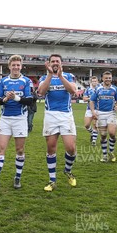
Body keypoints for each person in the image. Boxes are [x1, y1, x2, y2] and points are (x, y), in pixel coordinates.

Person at [0, 55, 33, 190]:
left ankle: (17, 177)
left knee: (20, 150)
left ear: (21, 66)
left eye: (18, 65)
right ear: (9, 66)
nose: (16, 67)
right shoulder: (3, 81)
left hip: (20, 119)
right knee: (0, 148)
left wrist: (16, 97)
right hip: (5, 119)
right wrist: (6, 98)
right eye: (13, 65)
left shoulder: (26, 81)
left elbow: (29, 100)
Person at [37, 54, 78, 192]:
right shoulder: (44, 78)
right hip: (50, 116)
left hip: (66, 115)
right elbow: (41, 92)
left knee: (71, 148)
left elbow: (73, 91)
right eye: (52, 61)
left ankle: (68, 171)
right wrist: (50, 75)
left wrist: (60, 76)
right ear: (49, 63)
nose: (55, 63)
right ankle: (52, 180)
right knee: (51, 148)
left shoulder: (69, 75)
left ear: (61, 63)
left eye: (57, 61)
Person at [89, 71, 117, 162]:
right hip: (100, 114)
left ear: (111, 79)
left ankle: (111, 152)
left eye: (109, 78)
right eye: (106, 78)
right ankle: (104, 155)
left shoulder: (115, 89)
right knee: (103, 135)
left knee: (112, 133)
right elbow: (92, 101)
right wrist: (93, 111)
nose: (108, 79)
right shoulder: (98, 89)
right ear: (102, 79)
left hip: (111, 113)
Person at [82, 76, 100, 146]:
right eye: (93, 81)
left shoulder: (100, 89)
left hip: (97, 109)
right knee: (86, 125)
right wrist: (91, 98)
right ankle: (93, 133)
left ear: (97, 82)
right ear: (91, 82)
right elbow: (84, 99)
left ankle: (94, 141)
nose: (94, 82)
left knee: (95, 125)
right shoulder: (88, 89)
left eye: (95, 81)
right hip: (89, 109)